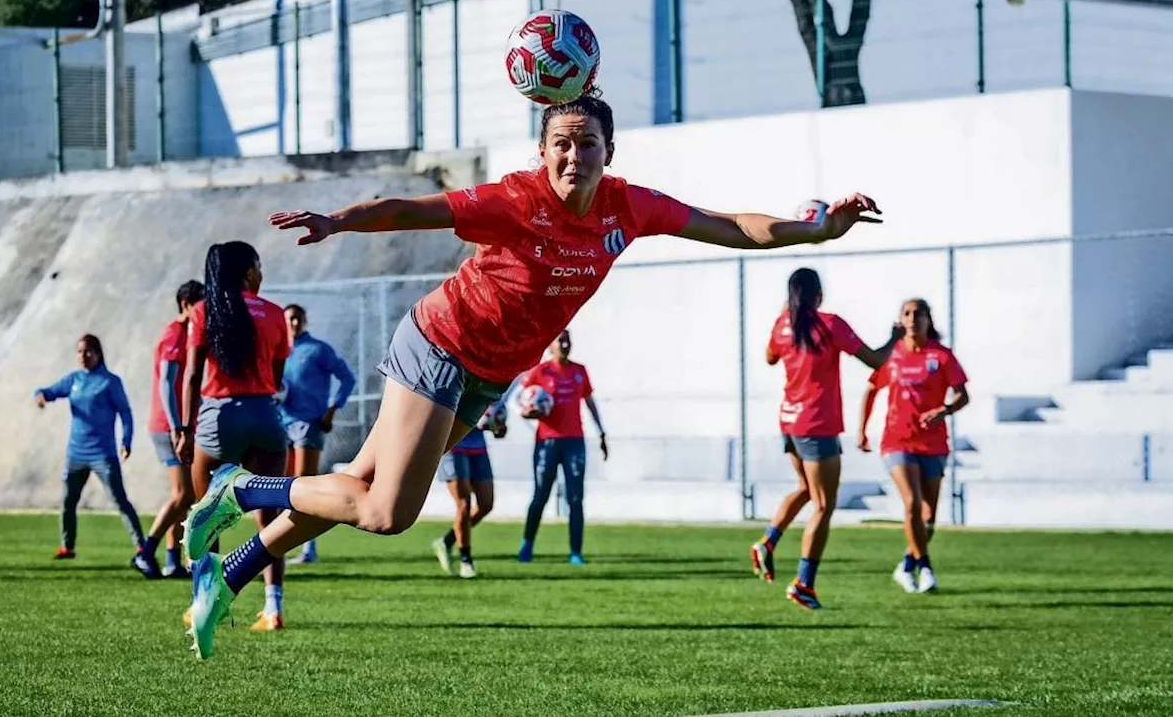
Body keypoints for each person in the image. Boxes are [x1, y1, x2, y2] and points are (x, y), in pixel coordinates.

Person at [182, 92, 883, 659]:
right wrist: (339, 221)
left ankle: (225, 574)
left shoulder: (629, 206)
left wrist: (813, 232)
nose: (574, 154)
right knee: (385, 512)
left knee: (347, 492)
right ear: (543, 151)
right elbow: (413, 211)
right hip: (441, 341)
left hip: (490, 373)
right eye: (562, 143)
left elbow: (728, 224)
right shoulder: (517, 198)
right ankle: (239, 488)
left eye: (588, 143)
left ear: (610, 153)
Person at [750, 268, 900, 610]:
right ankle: (804, 583)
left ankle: (768, 542)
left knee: (806, 489)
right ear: (818, 294)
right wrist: (894, 337)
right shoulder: (830, 325)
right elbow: (875, 360)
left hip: (788, 422)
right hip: (818, 425)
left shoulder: (781, 324)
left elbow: (770, 358)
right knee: (823, 504)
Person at [178, 241, 291, 633]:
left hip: (218, 417)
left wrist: (184, 429)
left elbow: (192, 376)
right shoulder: (275, 313)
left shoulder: (203, 310)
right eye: (259, 267)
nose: (262, 274)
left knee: (205, 518)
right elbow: (276, 379)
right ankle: (273, 608)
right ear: (248, 273)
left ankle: (203, 605)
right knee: (270, 518)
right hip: (264, 415)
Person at [858, 298, 969, 594]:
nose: (911, 318)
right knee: (911, 503)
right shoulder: (891, 355)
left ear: (928, 319)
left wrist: (943, 410)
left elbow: (962, 395)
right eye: (906, 313)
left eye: (918, 314)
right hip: (897, 441)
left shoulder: (941, 356)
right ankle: (926, 568)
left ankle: (907, 564)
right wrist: (863, 431)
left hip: (933, 444)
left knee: (929, 515)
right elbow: (871, 389)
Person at [35, 335, 151, 575]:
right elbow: (49, 390)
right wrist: (40, 395)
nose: (83, 356)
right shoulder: (74, 380)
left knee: (119, 500)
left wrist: (126, 441)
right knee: (68, 502)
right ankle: (68, 546)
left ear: (98, 353)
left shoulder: (109, 382)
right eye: (79, 351)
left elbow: (125, 413)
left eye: (88, 351)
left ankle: (142, 547)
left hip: (103, 453)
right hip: (76, 453)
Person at [516, 330, 607, 565]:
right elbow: (521, 402)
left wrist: (602, 432)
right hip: (547, 442)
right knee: (541, 495)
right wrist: (528, 412)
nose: (565, 344)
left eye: (567, 340)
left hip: (574, 442)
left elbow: (589, 402)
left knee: (575, 498)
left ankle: (575, 552)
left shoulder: (579, 371)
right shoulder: (540, 371)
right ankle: (527, 544)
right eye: (560, 340)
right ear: (551, 345)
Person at [277, 303, 356, 566]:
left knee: (304, 485)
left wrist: (333, 409)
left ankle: (308, 549)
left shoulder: (318, 349)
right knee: (282, 486)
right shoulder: (277, 350)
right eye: (290, 319)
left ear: (305, 320)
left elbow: (347, 378)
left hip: (309, 423)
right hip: (280, 423)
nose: (294, 324)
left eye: (298, 319)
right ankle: (281, 543)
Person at [136, 280, 204, 579]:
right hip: (170, 426)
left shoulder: (188, 333)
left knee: (185, 495)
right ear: (186, 304)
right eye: (200, 304)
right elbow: (166, 381)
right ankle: (145, 552)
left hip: (179, 425)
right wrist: (178, 426)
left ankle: (172, 559)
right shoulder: (175, 333)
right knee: (183, 494)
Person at [430, 380, 519, 578]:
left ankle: (446, 542)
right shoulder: (455, 379)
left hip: (478, 445)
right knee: (464, 504)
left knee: (486, 504)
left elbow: (493, 422)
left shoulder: (488, 381)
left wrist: (497, 426)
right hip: (454, 445)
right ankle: (466, 561)